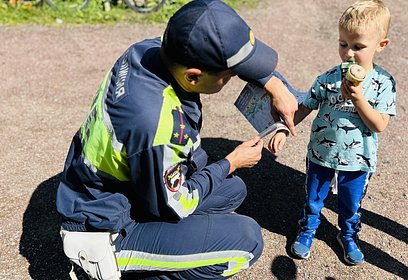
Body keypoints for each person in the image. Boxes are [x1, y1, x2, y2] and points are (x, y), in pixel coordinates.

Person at [56, 0, 298, 279]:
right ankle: (107, 264)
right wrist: (231, 162)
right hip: (106, 225)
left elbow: (219, 55)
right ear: (193, 77)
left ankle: (169, 246)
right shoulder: (157, 126)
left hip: (126, 187)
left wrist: (274, 84)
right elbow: (175, 204)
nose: (234, 77)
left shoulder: (148, 50)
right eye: (229, 75)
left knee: (233, 191)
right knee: (247, 240)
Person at [269, 0, 396, 265]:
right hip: (321, 153)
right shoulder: (328, 78)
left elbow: (379, 124)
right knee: (314, 198)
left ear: (380, 46)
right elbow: (305, 106)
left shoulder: (383, 83)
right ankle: (307, 230)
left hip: (359, 160)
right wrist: (283, 127)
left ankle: (348, 235)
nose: (349, 54)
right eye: (343, 44)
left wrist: (358, 98)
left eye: (358, 47)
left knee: (350, 205)